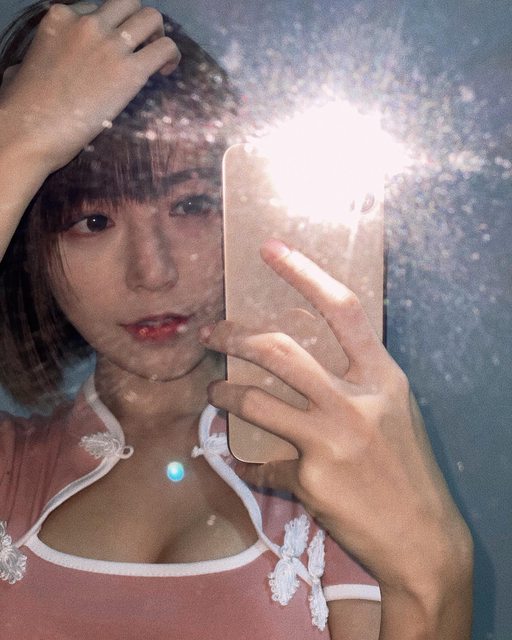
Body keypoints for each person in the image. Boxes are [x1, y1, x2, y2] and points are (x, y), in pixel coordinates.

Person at [0, 1, 473, 638]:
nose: (153, 272)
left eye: (192, 205)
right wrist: (19, 138)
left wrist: (437, 569)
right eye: (93, 220)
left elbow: (427, 586)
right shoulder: (9, 464)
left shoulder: (334, 468)